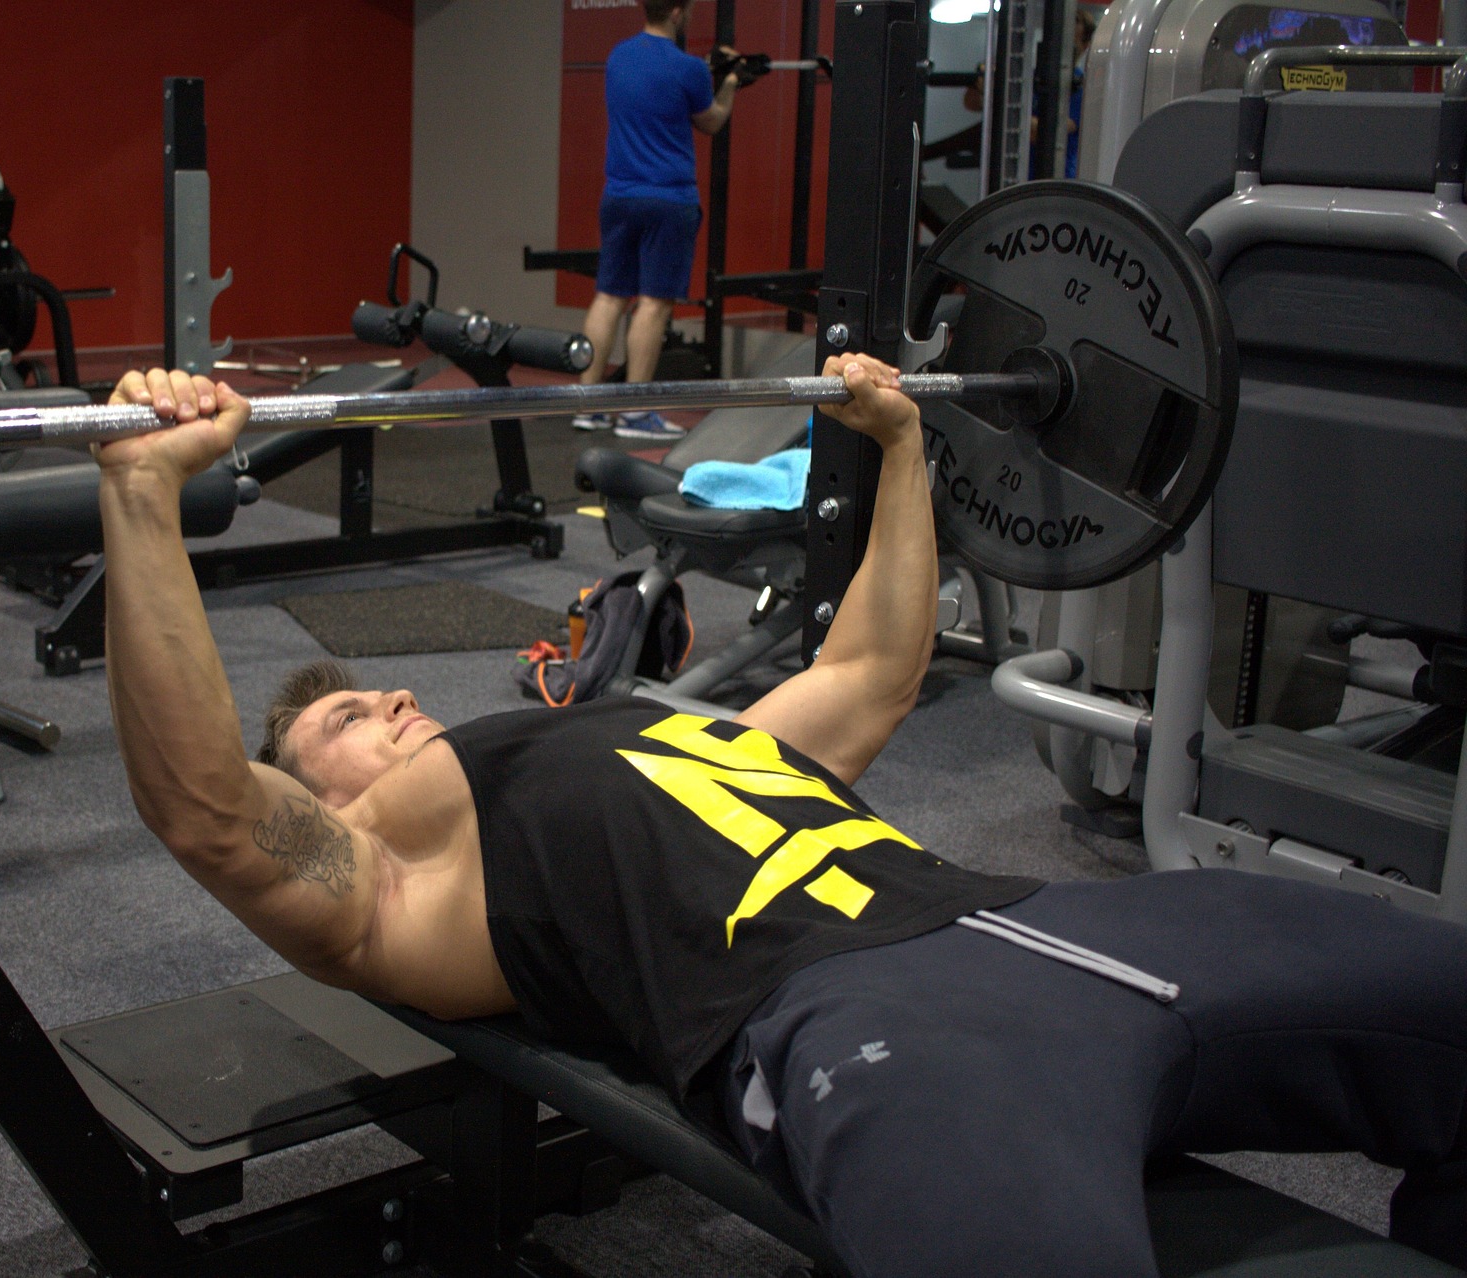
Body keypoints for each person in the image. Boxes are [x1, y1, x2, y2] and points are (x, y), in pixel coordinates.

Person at [96, 360, 1467, 1277]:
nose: (392, 697)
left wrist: (903, 445)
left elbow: (870, 670)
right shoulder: (403, 874)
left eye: (378, 689)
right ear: (321, 802)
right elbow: (207, 810)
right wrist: (144, 496)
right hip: (876, 1029)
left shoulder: (659, 730)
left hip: (1046, 919)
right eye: (345, 718)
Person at [573, 0, 738, 441]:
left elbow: (655, 90)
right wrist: (731, 84)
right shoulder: (689, 70)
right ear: (678, 13)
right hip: (667, 200)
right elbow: (711, 120)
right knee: (653, 303)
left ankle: (587, 405)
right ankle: (635, 413)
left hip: (619, 197)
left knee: (609, 296)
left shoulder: (619, 56)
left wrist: (705, 71)